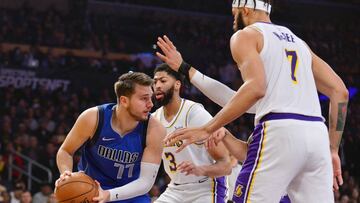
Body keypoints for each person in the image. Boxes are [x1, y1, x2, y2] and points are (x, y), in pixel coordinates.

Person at [155, 0, 349, 202]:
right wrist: (333, 148)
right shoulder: (300, 44)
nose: (233, 20)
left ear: (245, 10)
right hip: (317, 136)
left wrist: (207, 128)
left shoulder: (245, 36)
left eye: (233, 14)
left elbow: (255, 88)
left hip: (279, 131)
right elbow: (340, 91)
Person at [55, 72, 166, 203]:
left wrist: (109, 194)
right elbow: (65, 151)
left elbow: (145, 182)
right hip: (92, 192)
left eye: (151, 98)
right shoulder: (93, 118)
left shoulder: (155, 129)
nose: (151, 104)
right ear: (124, 100)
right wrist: (66, 173)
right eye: (144, 99)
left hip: (131, 194)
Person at [152, 64, 232, 203]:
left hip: (206, 187)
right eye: (155, 81)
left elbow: (226, 166)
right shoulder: (154, 120)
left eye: (163, 81)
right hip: (175, 189)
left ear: (177, 85)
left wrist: (200, 169)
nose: (157, 85)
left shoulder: (194, 113)